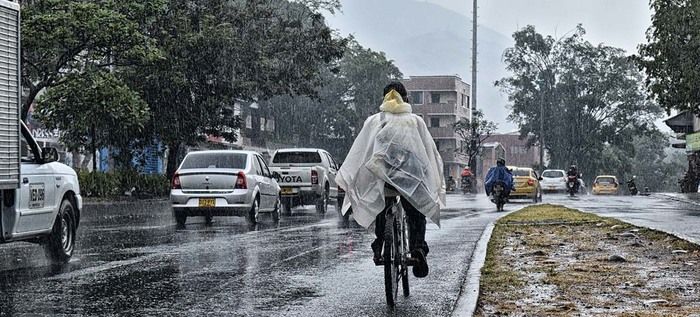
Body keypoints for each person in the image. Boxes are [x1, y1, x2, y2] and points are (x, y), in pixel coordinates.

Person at [336, 81, 445, 278]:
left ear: (383, 98)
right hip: (409, 180)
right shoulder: (415, 121)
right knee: (416, 211)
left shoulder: (374, 121)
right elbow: (429, 154)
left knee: (380, 206)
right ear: (406, 99)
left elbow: (361, 152)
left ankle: (379, 244)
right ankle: (418, 247)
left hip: (383, 179)